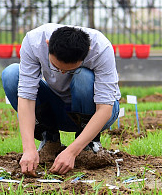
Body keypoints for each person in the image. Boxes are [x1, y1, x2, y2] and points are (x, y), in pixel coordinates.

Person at [1, 24, 120, 176]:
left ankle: (87, 145)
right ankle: (49, 139)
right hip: (58, 109)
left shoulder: (101, 48)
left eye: (69, 70)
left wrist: (71, 151)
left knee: (83, 76)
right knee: (11, 75)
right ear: (48, 44)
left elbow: (105, 109)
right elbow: (26, 97)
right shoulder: (33, 41)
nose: (62, 73)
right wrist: (29, 148)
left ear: (87, 53)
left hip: (97, 112)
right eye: (57, 67)